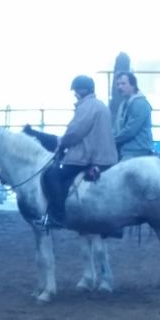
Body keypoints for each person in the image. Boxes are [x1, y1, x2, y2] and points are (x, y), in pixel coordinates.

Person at [41, 75, 117, 228]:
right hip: (106, 156)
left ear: (83, 90)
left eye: (75, 91)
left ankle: (57, 216)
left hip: (88, 156)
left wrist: (62, 144)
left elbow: (75, 131)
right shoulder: (101, 105)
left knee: (51, 174)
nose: (75, 94)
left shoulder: (86, 106)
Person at [111, 71, 155, 160]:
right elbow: (118, 127)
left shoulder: (140, 104)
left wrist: (111, 141)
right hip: (127, 150)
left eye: (123, 83)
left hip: (137, 152)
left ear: (133, 85)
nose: (120, 87)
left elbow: (130, 131)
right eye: (118, 84)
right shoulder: (125, 103)